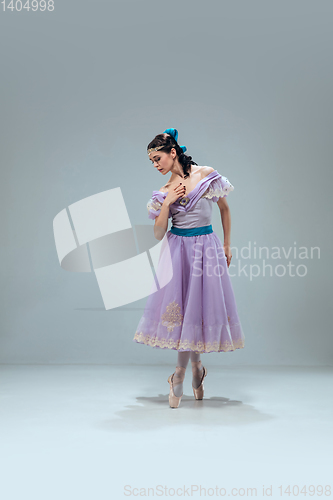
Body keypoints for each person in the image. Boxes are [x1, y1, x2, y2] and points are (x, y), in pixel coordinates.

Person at [133, 128, 245, 408]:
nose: (156, 165)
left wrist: (227, 245)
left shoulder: (206, 175)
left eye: (158, 158)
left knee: (196, 310)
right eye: (152, 162)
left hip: (206, 248)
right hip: (177, 251)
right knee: (184, 312)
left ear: (173, 153)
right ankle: (193, 370)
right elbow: (158, 234)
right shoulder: (163, 192)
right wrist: (168, 203)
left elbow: (225, 210)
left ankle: (181, 375)